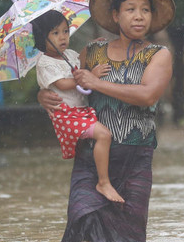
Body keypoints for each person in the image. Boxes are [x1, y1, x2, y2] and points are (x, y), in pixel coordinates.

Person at [38, 0, 175, 242]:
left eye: (145, 10)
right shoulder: (93, 51)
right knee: (81, 236)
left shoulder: (158, 54)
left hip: (135, 157)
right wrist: (43, 95)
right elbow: (65, 81)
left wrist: (97, 83)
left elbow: (148, 95)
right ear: (115, 15)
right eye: (131, 9)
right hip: (91, 157)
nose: (139, 16)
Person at [32, 10, 123, 204]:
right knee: (104, 135)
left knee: (99, 139)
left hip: (80, 111)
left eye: (65, 31)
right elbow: (64, 84)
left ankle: (102, 178)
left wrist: (90, 48)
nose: (63, 37)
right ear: (42, 37)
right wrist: (92, 76)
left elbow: (78, 62)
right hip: (67, 115)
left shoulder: (69, 54)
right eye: (55, 33)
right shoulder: (44, 63)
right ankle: (103, 182)